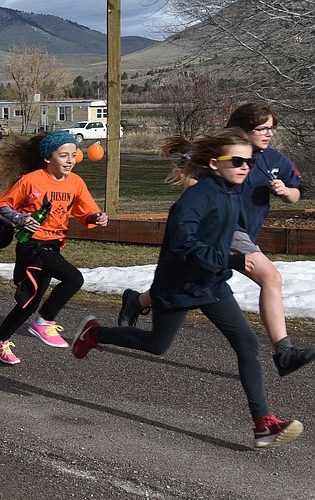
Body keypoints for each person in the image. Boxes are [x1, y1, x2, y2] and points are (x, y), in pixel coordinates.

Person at [72, 127, 303, 450]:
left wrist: (229, 259)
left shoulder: (229, 190)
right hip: (178, 284)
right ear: (213, 164)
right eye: (236, 161)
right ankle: (95, 334)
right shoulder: (196, 198)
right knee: (156, 345)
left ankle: (263, 423)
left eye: (248, 162)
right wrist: (230, 260)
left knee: (247, 343)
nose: (244, 167)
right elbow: (183, 244)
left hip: (211, 284)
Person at [118, 102, 315, 377]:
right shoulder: (220, 153)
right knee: (271, 277)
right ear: (242, 129)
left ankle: (137, 301)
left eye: (271, 128)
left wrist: (285, 191)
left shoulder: (274, 160)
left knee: (195, 282)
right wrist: (208, 194)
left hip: (243, 233)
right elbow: (183, 173)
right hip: (221, 230)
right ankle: (284, 351)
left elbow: (296, 193)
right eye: (261, 128)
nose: (268, 134)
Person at [0, 130, 108, 365]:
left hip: (53, 245)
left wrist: (98, 217)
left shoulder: (76, 182)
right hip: (31, 245)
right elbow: (1, 204)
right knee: (74, 278)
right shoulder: (31, 180)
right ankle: (45, 321)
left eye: (73, 154)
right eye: (64, 155)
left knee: (29, 303)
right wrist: (20, 219)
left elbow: (87, 212)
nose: (70, 160)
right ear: (48, 158)